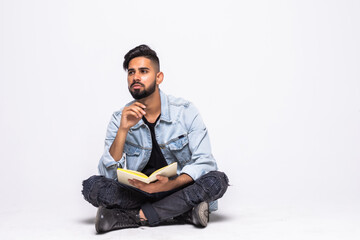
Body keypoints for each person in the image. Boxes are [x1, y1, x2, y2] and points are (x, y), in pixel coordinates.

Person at [82, 44, 229, 233]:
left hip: (176, 189)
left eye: (143, 71)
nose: (136, 77)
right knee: (92, 186)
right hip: (139, 193)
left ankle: (135, 216)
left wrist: (172, 183)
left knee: (217, 180)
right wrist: (123, 130)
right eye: (131, 72)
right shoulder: (120, 118)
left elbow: (205, 162)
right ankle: (183, 213)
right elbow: (108, 174)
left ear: (159, 77)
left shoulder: (185, 112)